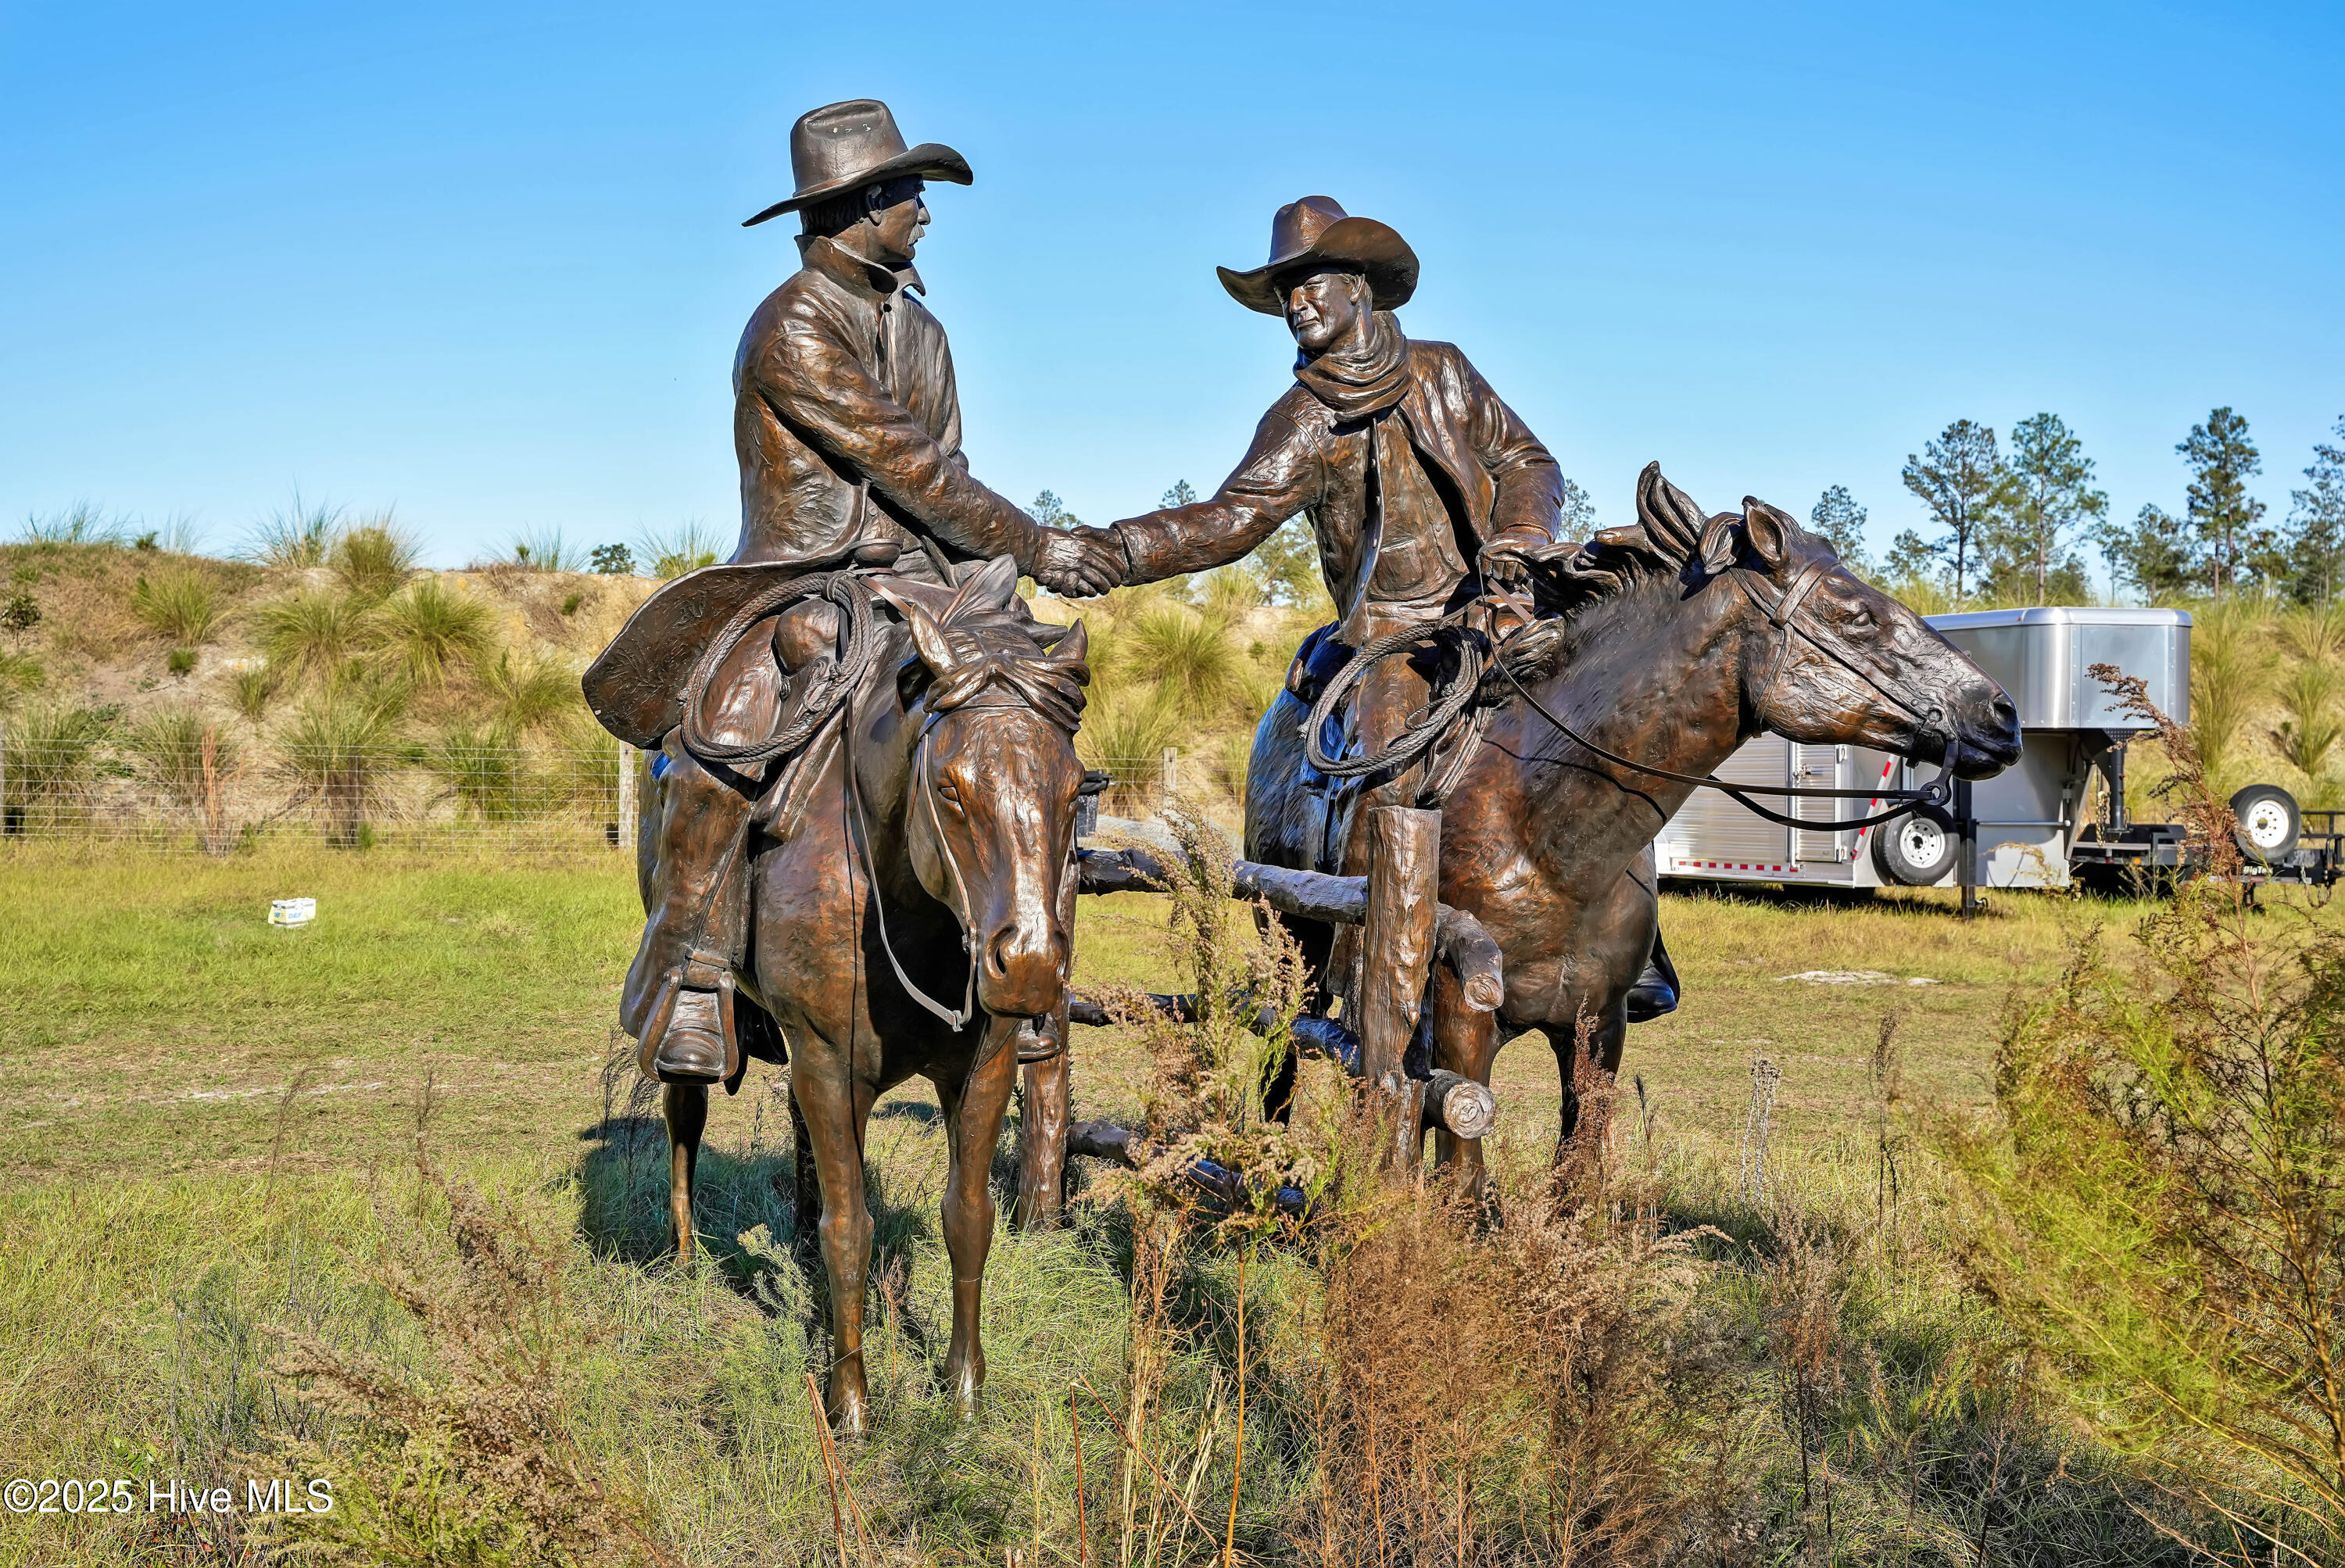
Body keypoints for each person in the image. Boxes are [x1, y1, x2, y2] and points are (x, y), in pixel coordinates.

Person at [619, 99, 1124, 1083]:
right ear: (859, 205)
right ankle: (695, 970)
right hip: (800, 581)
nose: (924, 212)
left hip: (921, 584)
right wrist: (1040, 545)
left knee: (1020, 705)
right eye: (907, 193)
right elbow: (907, 465)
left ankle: (1015, 932)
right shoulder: (791, 327)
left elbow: (951, 464)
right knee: (721, 738)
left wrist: (997, 574)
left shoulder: (925, 332)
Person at [1096, 196, 1679, 1018]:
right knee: (1385, 766)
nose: (1296, 300)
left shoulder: (1444, 371)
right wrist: (1114, 550)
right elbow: (1228, 521)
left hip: (1497, 601)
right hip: (1391, 641)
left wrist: (1516, 537)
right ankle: (1361, 941)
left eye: (1311, 281)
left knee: (1603, 726)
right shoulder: (1303, 418)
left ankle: (1634, 943)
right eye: (1284, 288)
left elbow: (1527, 458)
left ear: (1360, 287)